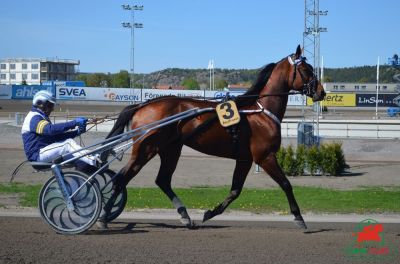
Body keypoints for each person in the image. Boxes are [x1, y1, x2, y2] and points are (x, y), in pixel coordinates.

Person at [21, 90, 100, 168]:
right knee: (68, 144)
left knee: (80, 158)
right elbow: (51, 130)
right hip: (37, 156)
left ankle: (82, 178)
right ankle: (94, 160)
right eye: (51, 105)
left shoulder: (41, 117)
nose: (52, 109)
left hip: (45, 153)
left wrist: (76, 132)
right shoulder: (34, 117)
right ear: (40, 104)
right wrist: (74, 122)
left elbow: (56, 137)